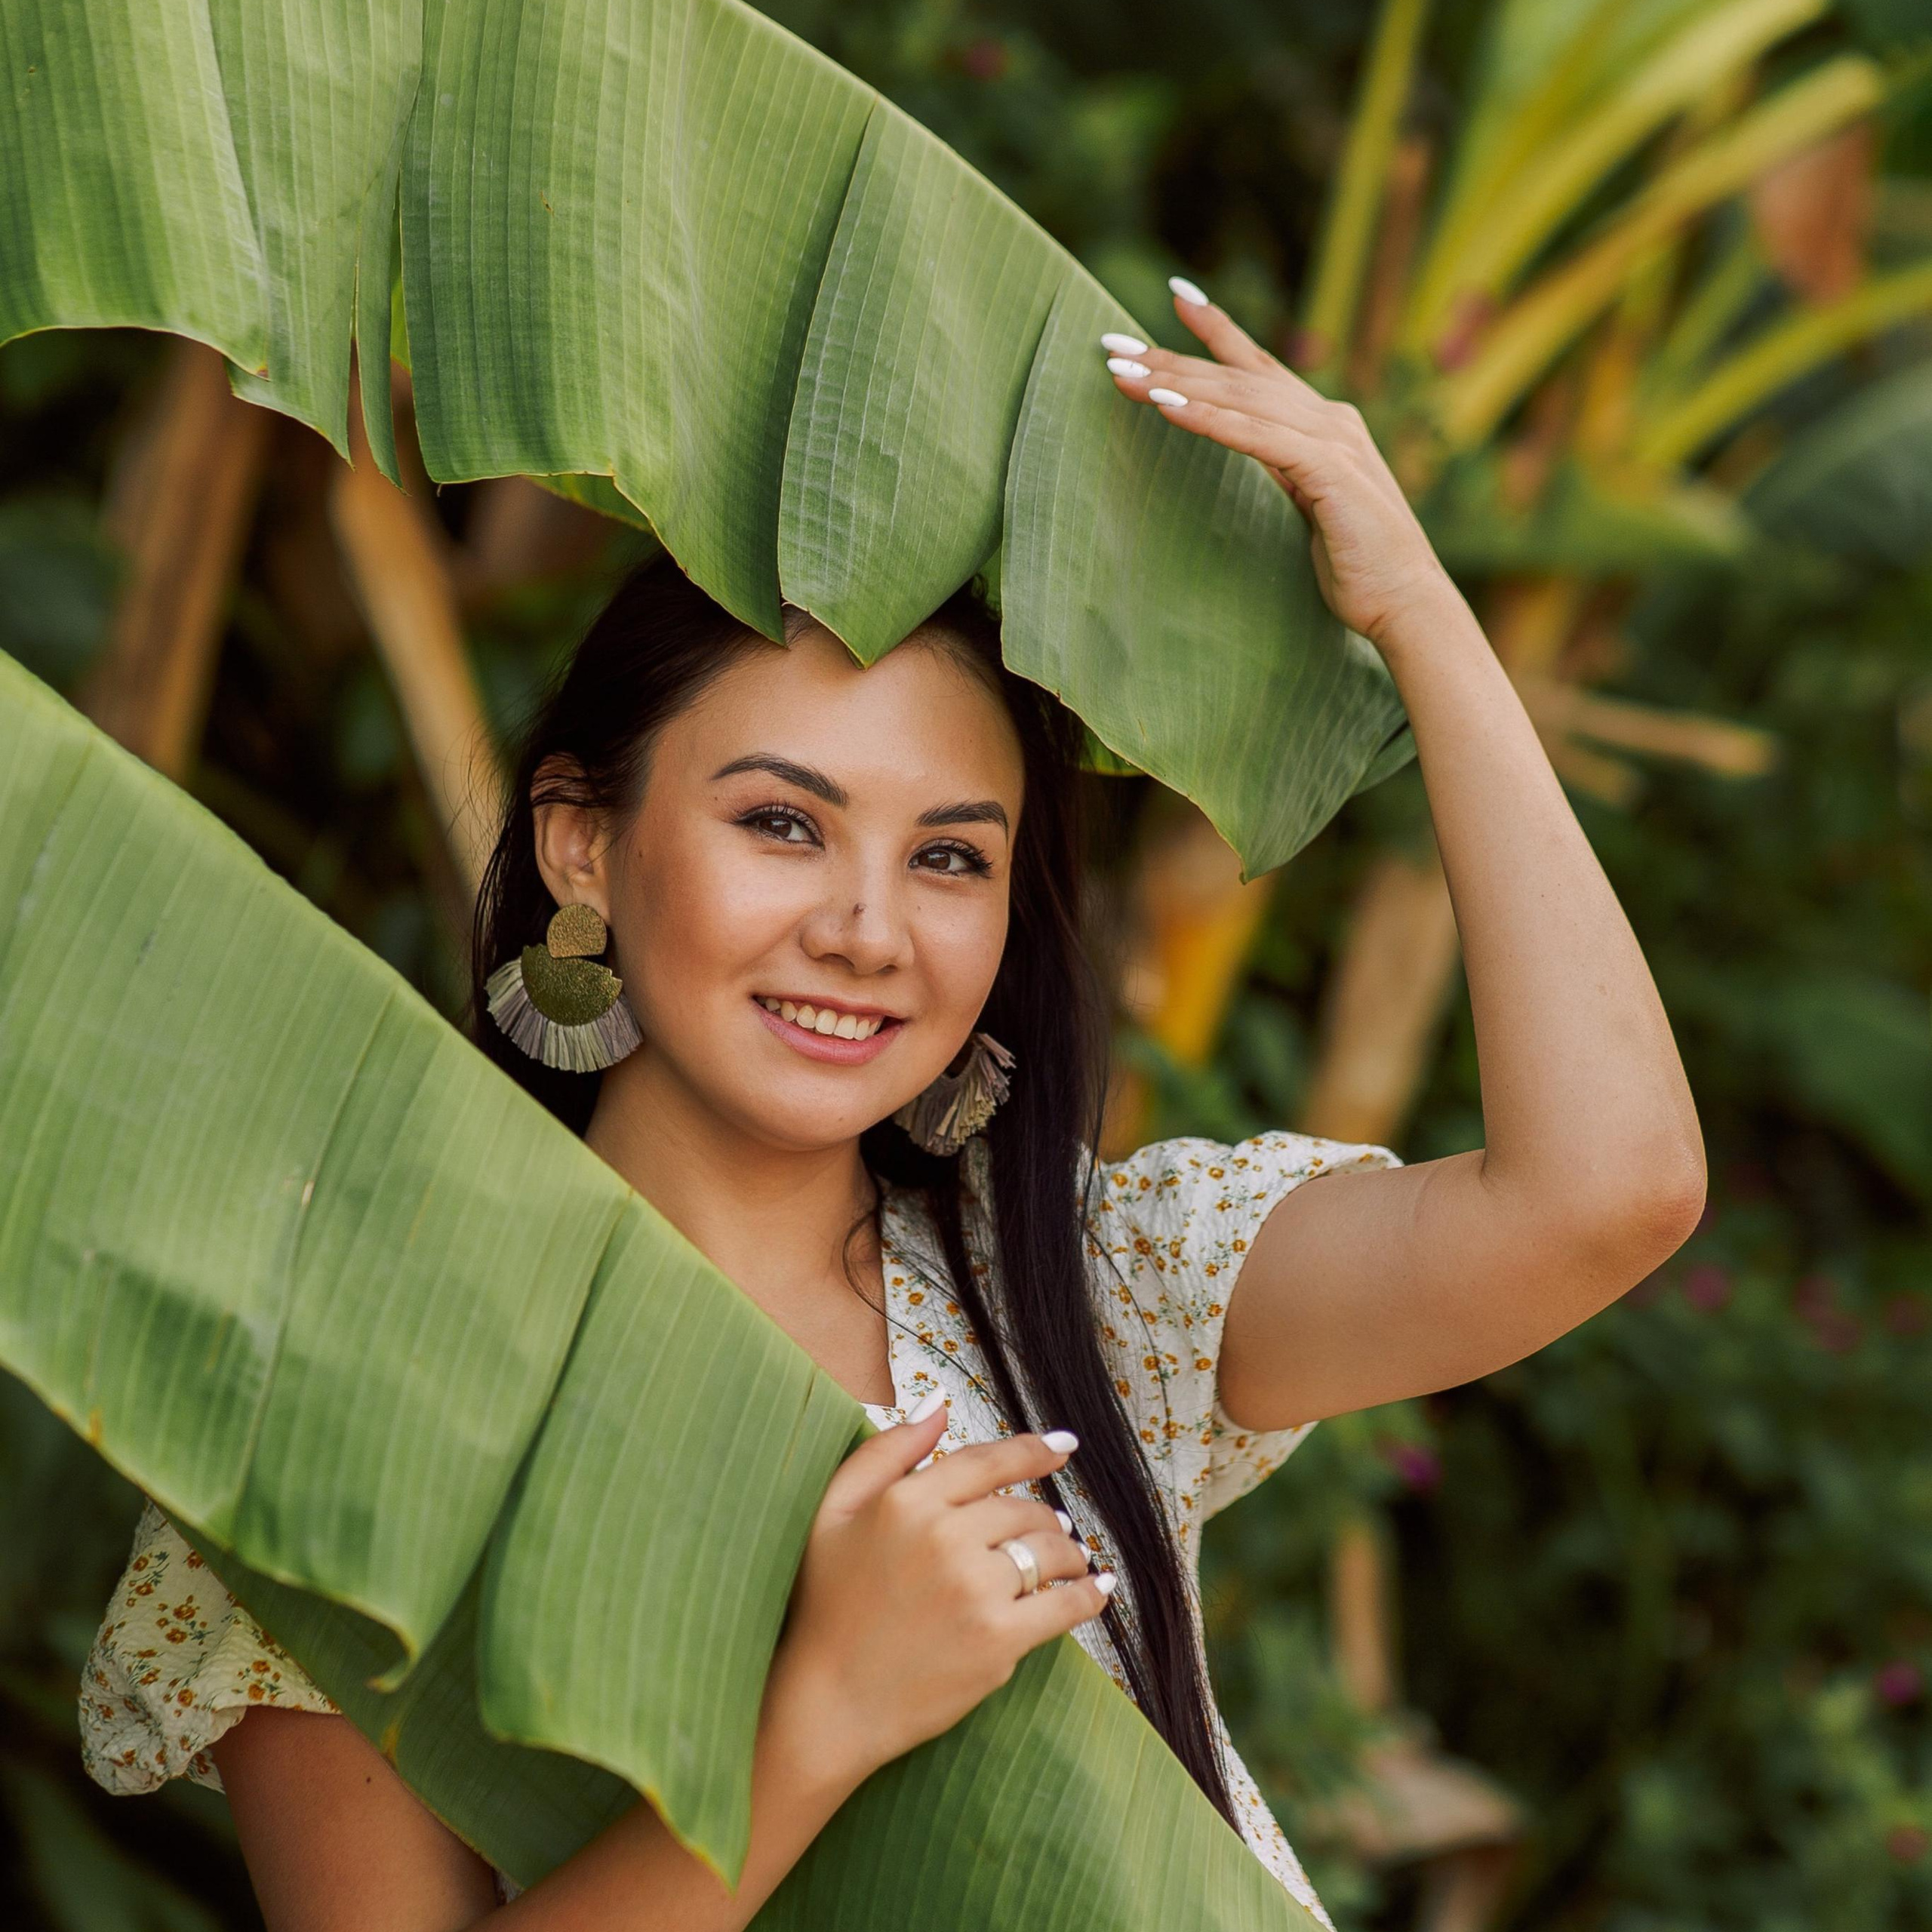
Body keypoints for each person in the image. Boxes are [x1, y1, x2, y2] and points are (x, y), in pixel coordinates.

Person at [78, 279, 1706, 1930]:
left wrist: (1420, 610)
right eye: (782, 824)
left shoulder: (1082, 1287)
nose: (867, 926)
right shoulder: (342, 1400)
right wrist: (822, 1719)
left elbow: (1606, 1189)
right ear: (581, 843)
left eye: (947, 855)